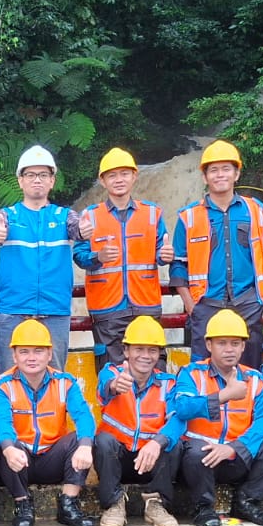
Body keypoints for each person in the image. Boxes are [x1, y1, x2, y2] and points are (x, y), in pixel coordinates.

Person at [172, 308, 263, 526]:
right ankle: (203, 508)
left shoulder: (255, 378)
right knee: (195, 450)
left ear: (244, 346)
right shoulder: (191, 373)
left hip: (238, 457)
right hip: (201, 460)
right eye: (221, 343)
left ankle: (247, 502)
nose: (229, 349)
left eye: (235, 343)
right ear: (208, 345)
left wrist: (233, 448)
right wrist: (224, 396)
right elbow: (182, 408)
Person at [171, 140, 263, 369]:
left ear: (237, 174)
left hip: (249, 304)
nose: (220, 175)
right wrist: (190, 305)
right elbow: (178, 265)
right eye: (214, 170)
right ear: (204, 177)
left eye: (226, 169)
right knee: (203, 372)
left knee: (251, 371)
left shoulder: (256, 211)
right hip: (206, 304)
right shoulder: (188, 217)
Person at [0, 319, 96, 526]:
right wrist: (9, 448)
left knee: (80, 439)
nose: (31, 357)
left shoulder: (66, 382)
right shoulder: (1, 385)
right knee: (2, 443)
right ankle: (23, 504)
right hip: (18, 461)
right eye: (24, 351)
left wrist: (85, 445)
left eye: (38, 351)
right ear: (14, 355)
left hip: (52, 458)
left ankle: (68, 504)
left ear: (49, 354)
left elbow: (83, 416)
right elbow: (2, 422)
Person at [74, 148, 171, 373]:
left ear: (135, 176)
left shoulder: (152, 214)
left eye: (124, 173)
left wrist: (164, 256)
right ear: (102, 180)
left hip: (145, 304)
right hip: (107, 309)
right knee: (111, 374)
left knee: (154, 371)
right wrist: (97, 257)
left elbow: (160, 250)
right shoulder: (89, 216)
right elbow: (78, 256)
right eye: (112, 175)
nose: (119, 180)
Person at [91, 315, 183, 526]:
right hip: (117, 461)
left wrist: (156, 443)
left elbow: (178, 420)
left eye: (152, 350)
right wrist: (115, 385)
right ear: (126, 351)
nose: (145, 356)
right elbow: (105, 387)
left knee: (174, 443)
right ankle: (114, 504)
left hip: (150, 460)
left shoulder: (168, 383)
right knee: (103, 441)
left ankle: (156, 504)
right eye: (138, 349)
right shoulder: (112, 372)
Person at [0, 145, 78, 372]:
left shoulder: (65, 216)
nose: (36, 180)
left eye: (43, 175)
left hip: (55, 310)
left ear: (52, 180)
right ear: (20, 180)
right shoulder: (6, 216)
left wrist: (86, 230)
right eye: (30, 174)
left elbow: (78, 230)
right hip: (14, 311)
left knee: (56, 378)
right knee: (8, 380)